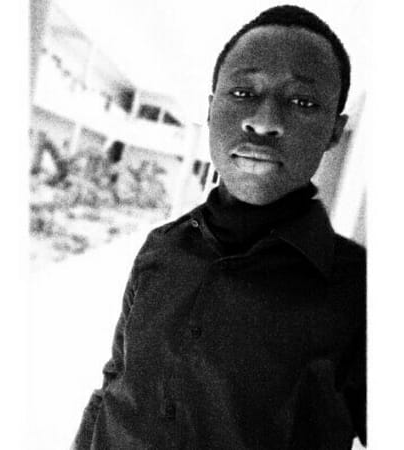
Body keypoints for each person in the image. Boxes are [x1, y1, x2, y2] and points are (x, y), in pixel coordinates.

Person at [74, 5, 366, 449]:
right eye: (243, 92)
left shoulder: (363, 293)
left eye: (302, 102)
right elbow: (115, 379)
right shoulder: (161, 248)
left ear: (334, 133)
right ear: (211, 109)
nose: (264, 122)